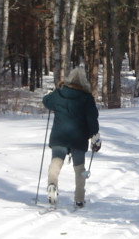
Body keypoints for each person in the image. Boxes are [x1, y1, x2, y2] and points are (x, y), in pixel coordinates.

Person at [42, 66, 101, 207]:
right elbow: (93, 119)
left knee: (56, 163)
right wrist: (95, 136)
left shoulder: (59, 94)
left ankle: (52, 185)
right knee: (79, 168)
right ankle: (79, 198)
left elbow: (46, 102)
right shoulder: (87, 98)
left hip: (59, 136)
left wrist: (50, 93)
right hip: (78, 138)